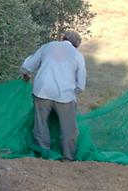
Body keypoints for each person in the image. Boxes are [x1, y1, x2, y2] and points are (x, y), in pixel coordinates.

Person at [20, 30, 86, 161]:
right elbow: (81, 84)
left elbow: (28, 66)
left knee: (41, 124)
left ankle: (44, 154)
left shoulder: (48, 46)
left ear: (63, 38)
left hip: (42, 91)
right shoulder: (78, 55)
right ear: (76, 45)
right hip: (65, 95)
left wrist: (26, 75)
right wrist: (74, 92)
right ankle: (68, 157)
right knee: (68, 128)